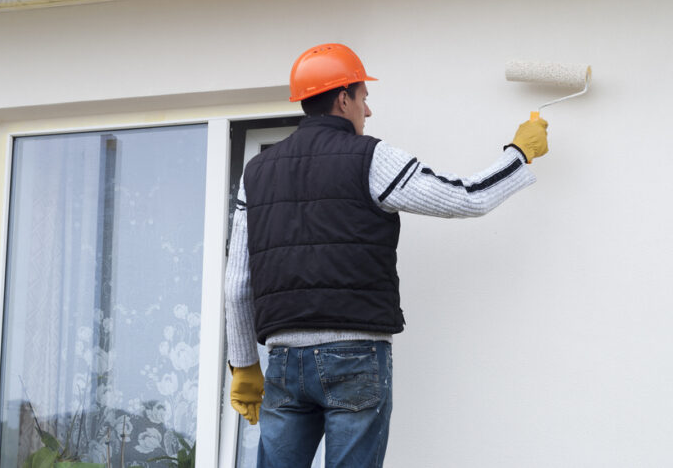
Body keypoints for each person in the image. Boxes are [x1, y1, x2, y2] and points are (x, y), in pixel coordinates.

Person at [224, 43, 549, 467]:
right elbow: (466, 198)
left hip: (284, 361)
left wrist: (244, 365)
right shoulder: (370, 158)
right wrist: (519, 154)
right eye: (364, 98)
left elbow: (236, 285)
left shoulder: (257, 172)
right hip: (354, 356)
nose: (368, 111)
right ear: (344, 98)